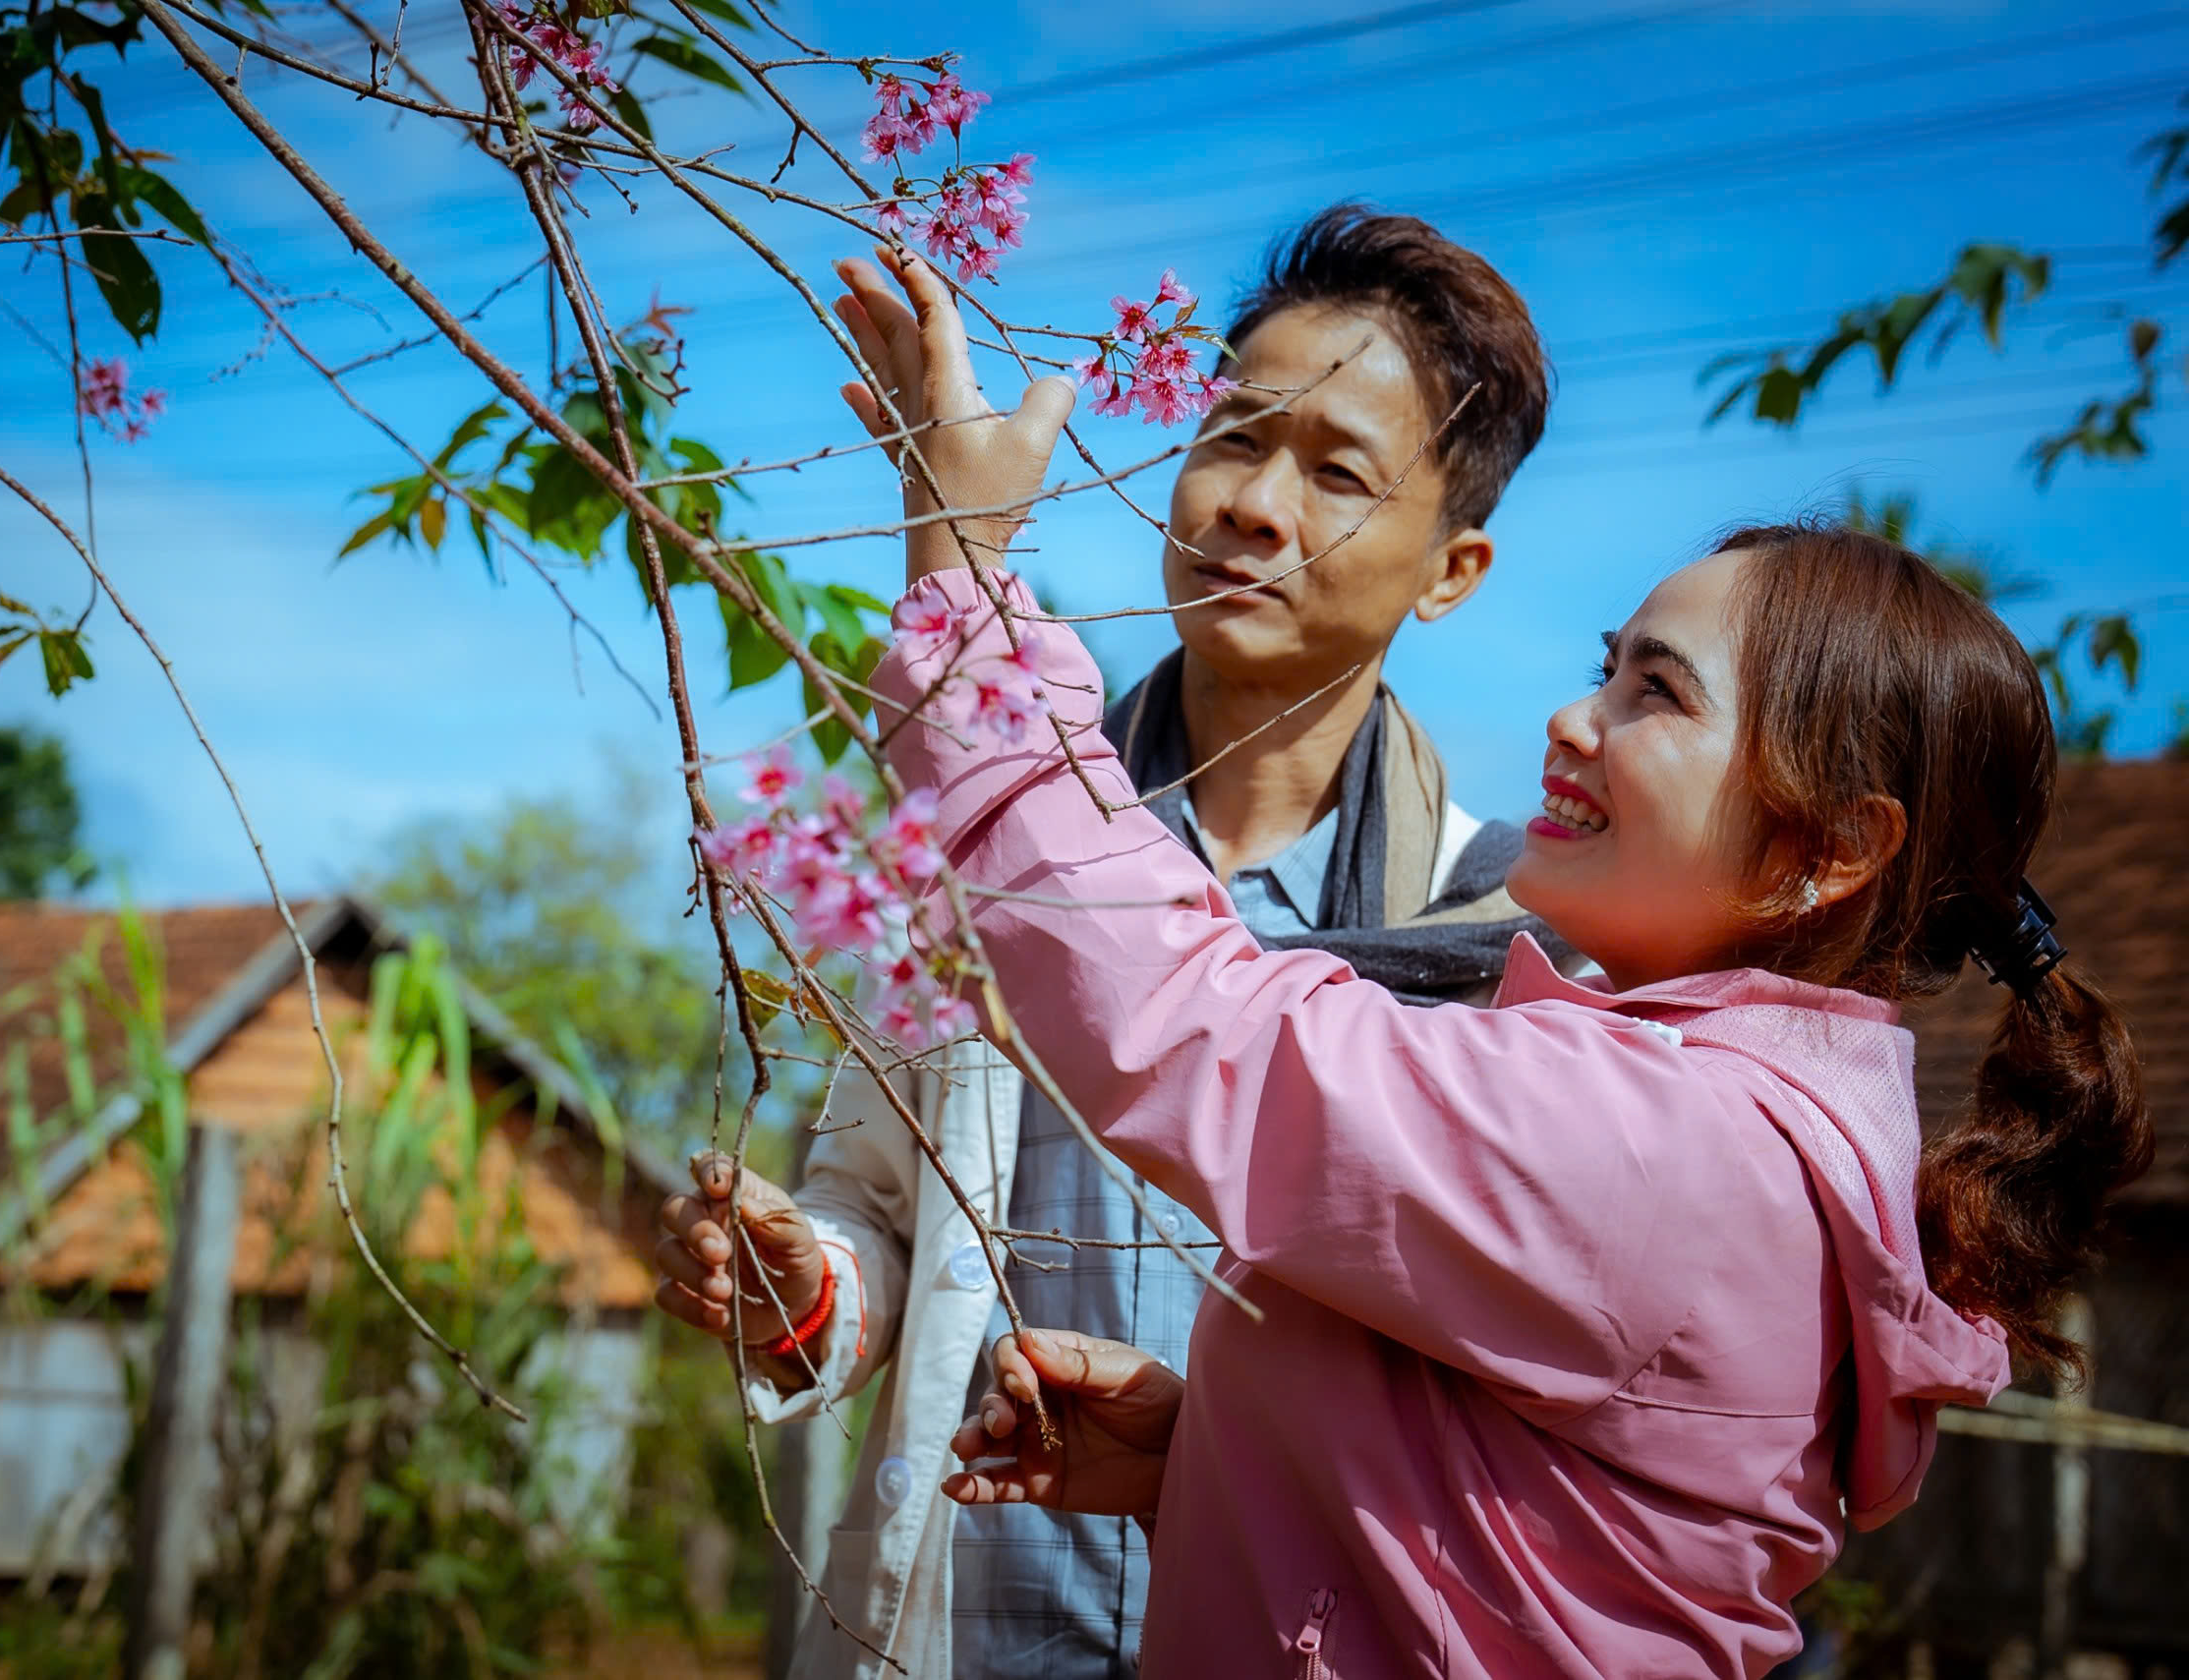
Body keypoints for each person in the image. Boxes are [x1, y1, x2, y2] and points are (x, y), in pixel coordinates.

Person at [825, 245, 2154, 1677]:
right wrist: (1224, 1453)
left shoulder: (1675, 1144)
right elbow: (1519, 1547)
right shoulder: (1714, 1107)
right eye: (1606, 663)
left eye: (1659, 693)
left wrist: (964, 582)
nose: (1575, 722)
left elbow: (1193, 1021)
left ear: (1823, 850)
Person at [652, 204, 1561, 1677]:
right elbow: (882, 1202)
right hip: (975, 1635)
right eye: (1232, 437)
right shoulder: (987, 854)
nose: (1253, 505)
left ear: (1452, 570)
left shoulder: (1500, 943)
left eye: (1337, 470)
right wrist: (803, 1286)